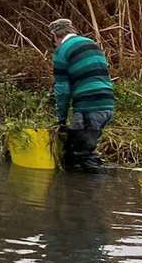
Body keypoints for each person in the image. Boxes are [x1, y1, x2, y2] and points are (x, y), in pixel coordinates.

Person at [49, 18, 116, 172]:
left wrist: (61, 119)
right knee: (76, 152)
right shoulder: (91, 43)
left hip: (89, 107)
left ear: (54, 36)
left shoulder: (62, 51)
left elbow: (63, 90)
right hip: (107, 104)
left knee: (81, 156)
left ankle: (95, 190)